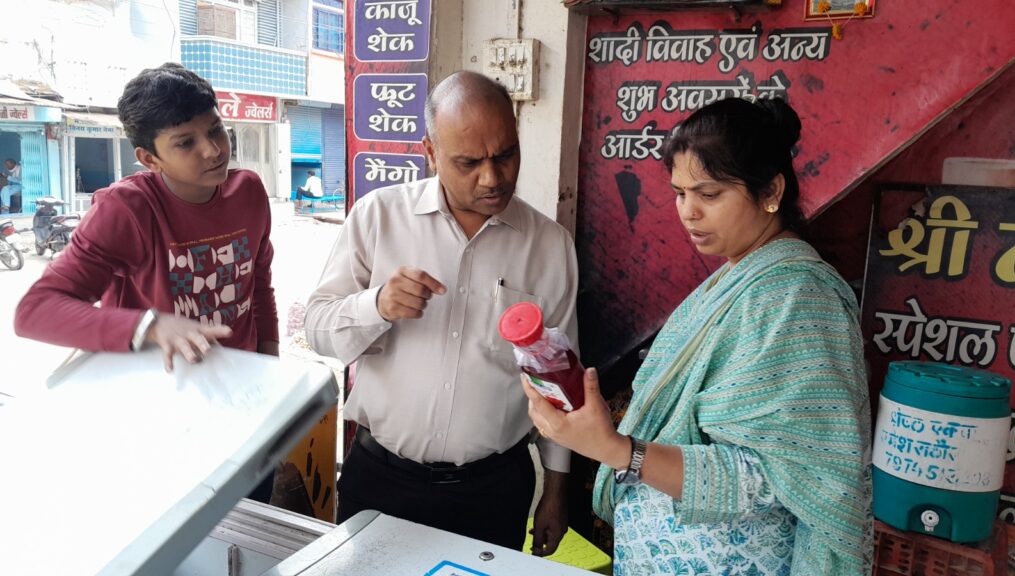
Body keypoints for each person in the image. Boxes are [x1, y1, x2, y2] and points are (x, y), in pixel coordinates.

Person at [522, 98, 873, 575]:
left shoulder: (797, 299)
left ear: (770, 190)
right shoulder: (738, 276)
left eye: (708, 194)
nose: (688, 212)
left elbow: (778, 477)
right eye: (679, 193)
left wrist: (617, 450)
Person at [305, 71, 578, 553]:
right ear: (430, 152)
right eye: (469, 162)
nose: (492, 178)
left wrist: (556, 491)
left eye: (505, 155)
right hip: (381, 481)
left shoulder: (550, 246)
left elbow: (557, 379)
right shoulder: (378, 217)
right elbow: (318, 330)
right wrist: (376, 305)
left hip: (492, 493)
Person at [15, 63, 280, 497]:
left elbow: (259, 284)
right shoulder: (127, 209)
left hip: (242, 404)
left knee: (251, 523)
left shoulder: (248, 191)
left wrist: (271, 369)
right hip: (159, 419)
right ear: (149, 158)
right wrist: (151, 326)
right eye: (186, 142)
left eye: (216, 130)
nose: (213, 150)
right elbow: (35, 312)